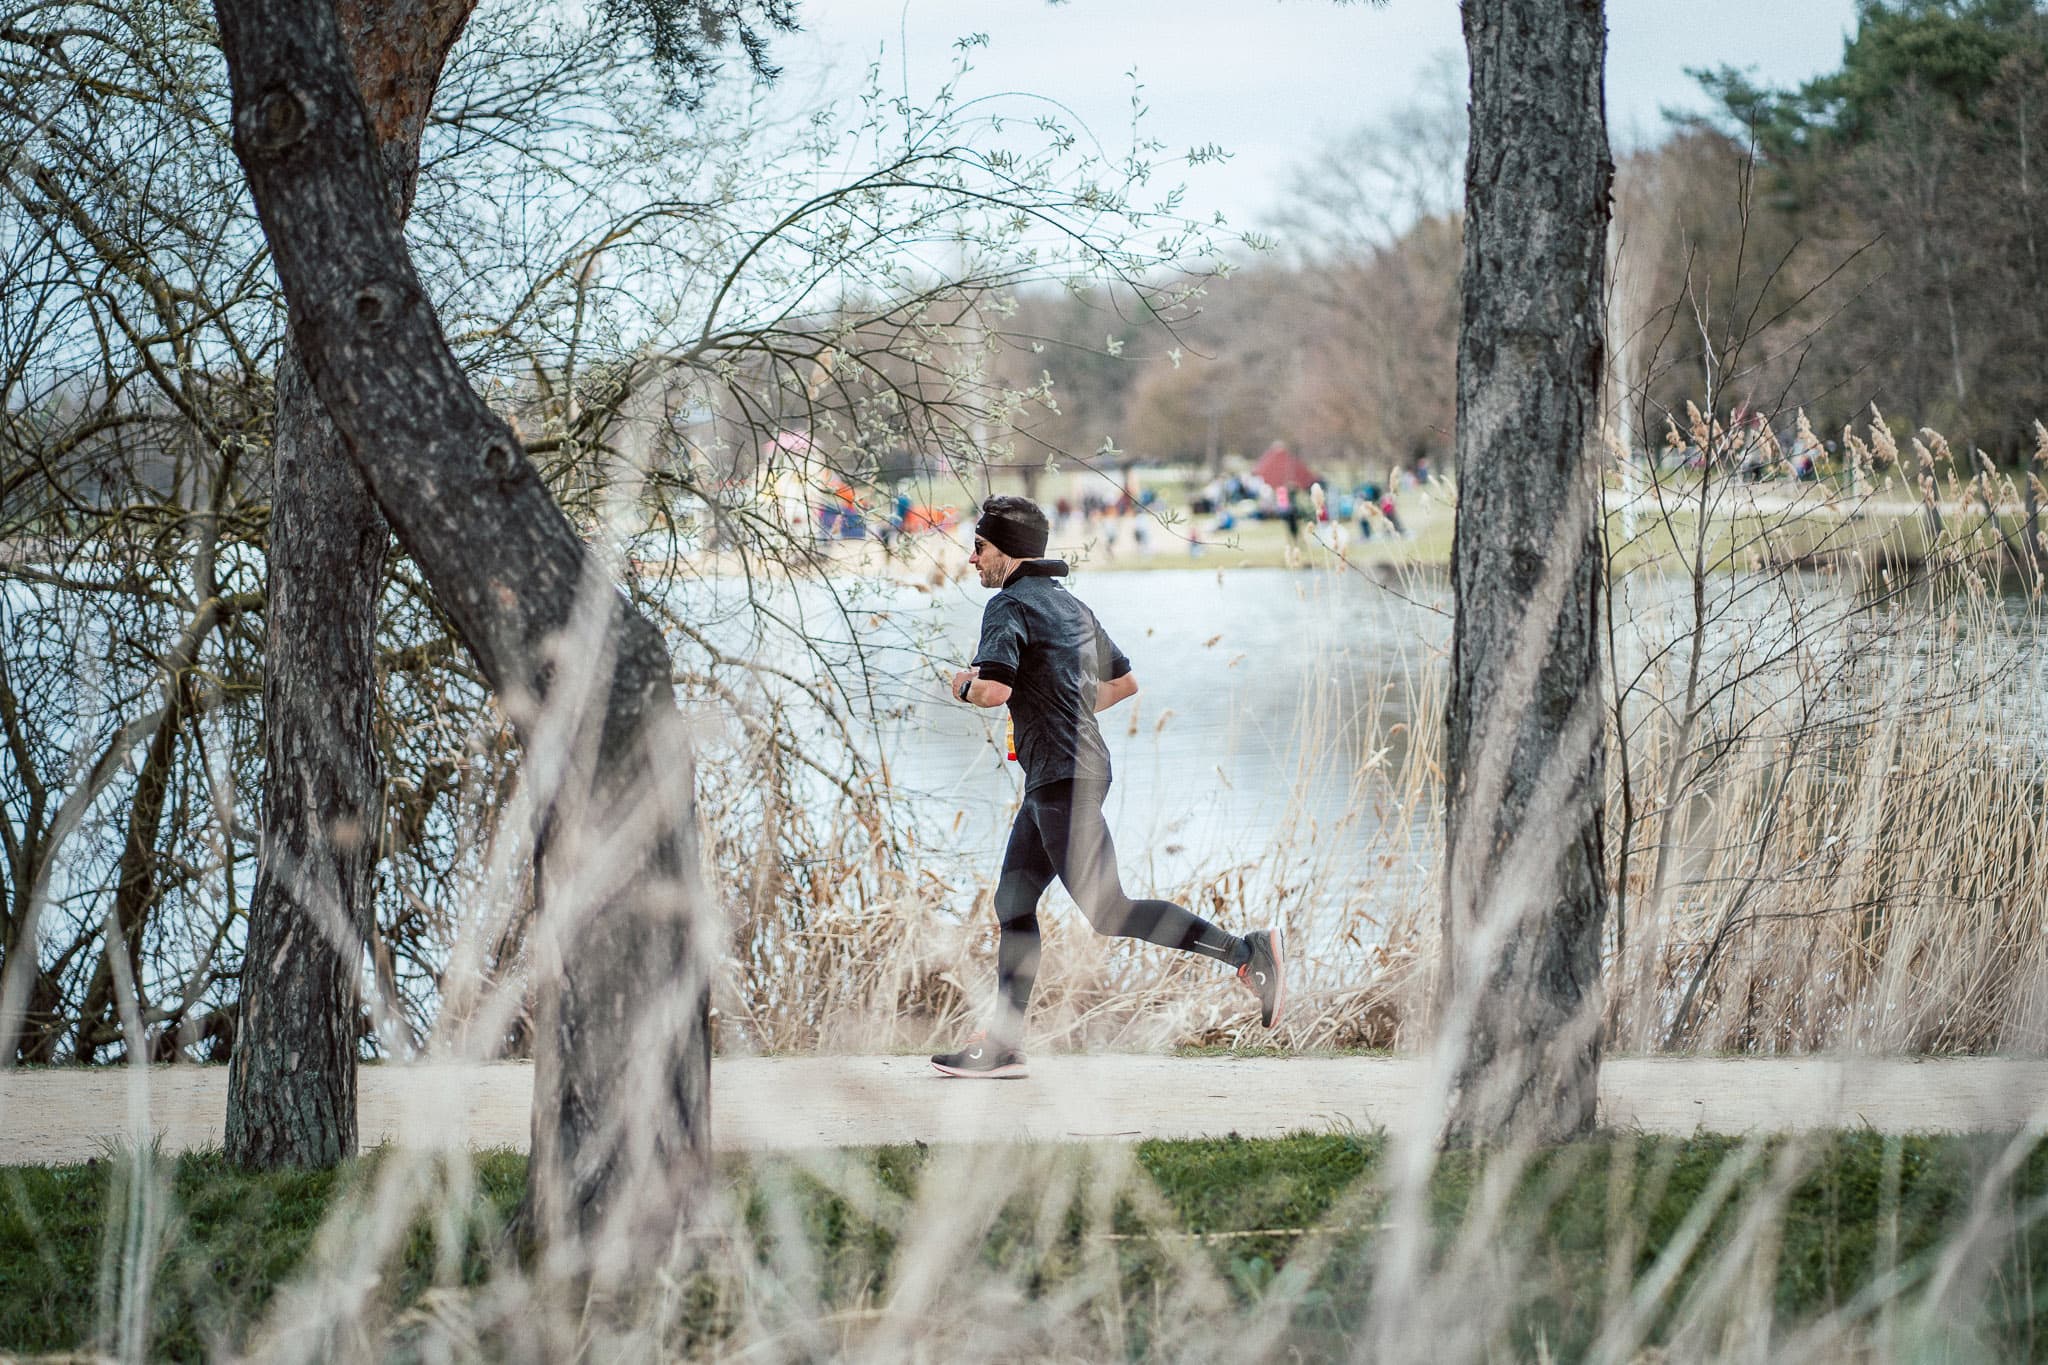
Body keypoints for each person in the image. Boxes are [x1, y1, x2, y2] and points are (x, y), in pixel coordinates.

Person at [934, 496, 1285, 1078]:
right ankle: (1001, 1046)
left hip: (1061, 780)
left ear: (1008, 551)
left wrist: (962, 686)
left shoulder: (1007, 607)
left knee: (1107, 910)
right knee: (1014, 903)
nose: (972, 559)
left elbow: (994, 691)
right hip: (1072, 773)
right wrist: (1062, 703)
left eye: (980, 546)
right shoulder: (1073, 608)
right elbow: (1122, 683)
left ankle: (1246, 953)